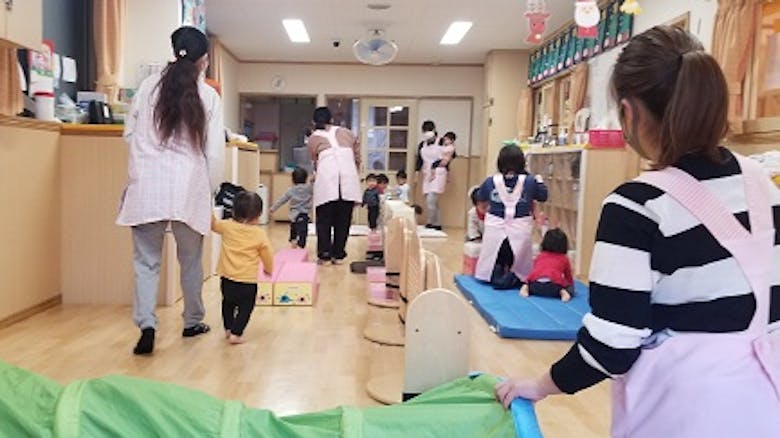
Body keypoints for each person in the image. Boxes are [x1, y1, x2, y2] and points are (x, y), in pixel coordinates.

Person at [495, 26, 780, 437]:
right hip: (766, 405)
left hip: (686, 411)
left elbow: (612, 344)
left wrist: (539, 385)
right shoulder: (763, 186)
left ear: (628, 113)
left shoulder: (636, 206)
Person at [116, 26, 224, 355]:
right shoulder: (207, 96)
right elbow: (214, 152)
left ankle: (146, 324)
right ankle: (192, 321)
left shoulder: (148, 87)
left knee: (146, 262)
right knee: (190, 261)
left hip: (147, 185)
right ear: (204, 60)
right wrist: (212, 190)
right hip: (187, 188)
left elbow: (130, 135)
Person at [474, 145, 548, 289]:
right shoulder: (530, 181)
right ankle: (516, 274)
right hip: (520, 227)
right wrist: (539, 180)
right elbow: (543, 196)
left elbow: (480, 196)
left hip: (495, 227)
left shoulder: (491, 181)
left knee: (495, 250)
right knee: (518, 250)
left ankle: (495, 271)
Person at [211, 191, 274, 345]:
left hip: (227, 278)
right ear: (258, 215)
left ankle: (228, 328)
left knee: (227, 303)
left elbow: (213, 224)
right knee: (246, 308)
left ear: (233, 211)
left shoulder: (227, 226)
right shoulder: (259, 234)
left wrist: (209, 207)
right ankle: (236, 333)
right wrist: (268, 269)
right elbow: (267, 254)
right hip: (247, 281)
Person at [308, 107, 361, 265]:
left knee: (324, 219)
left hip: (326, 179)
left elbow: (315, 160)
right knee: (343, 219)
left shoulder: (313, 138)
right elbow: (357, 157)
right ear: (331, 119)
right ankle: (338, 254)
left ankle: (324, 255)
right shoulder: (347, 133)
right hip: (348, 178)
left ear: (314, 121)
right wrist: (354, 171)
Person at [520, 228, 573, 302]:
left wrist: (527, 282)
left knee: (531, 281)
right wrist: (570, 286)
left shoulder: (539, 256)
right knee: (568, 288)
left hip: (535, 286)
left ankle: (526, 287)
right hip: (553, 288)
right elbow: (568, 276)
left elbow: (535, 271)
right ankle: (562, 292)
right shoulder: (564, 259)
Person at [269, 167, 313, 249]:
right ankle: (301, 246)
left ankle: (293, 241)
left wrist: (273, 208)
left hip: (294, 215)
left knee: (294, 228)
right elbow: (314, 185)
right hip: (304, 214)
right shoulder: (309, 189)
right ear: (306, 178)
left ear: (293, 180)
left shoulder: (291, 190)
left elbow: (282, 200)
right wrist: (313, 180)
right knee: (303, 231)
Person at [417, 122, 449, 230]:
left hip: (438, 173)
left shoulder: (442, 141)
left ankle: (431, 222)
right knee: (431, 201)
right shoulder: (422, 145)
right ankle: (437, 223)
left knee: (431, 199)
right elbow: (419, 160)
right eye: (425, 130)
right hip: (427, 173)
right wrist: (416, 172)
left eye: (429, 130)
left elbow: (450, 155)